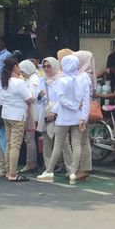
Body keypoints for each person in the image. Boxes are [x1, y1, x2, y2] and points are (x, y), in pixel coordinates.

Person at [37, 55, 87, 185]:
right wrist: (83, 116)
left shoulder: (62, 80)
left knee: (58, 145)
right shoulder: (83, 79)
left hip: (64, 117)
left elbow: (61, 100)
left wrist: (61, 109)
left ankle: (49, 171)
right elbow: (86, 100)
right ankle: (73, 172)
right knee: (75, 144)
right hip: (78, 117)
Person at [0, 57, 33, 182]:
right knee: (15, 146)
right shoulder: (19, 82)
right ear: (15, 67)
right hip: (18, 116)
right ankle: (13, 173)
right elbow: (29, 97)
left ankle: (8, 170)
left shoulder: (3, 80)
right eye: (18, 66)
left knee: (9, 144)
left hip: (6, 114)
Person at [36, 57, 63, 172]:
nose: (46, 69)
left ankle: (65, 165)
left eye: (49, 66)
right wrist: (40, 96)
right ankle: (49, 167)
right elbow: (38, 100)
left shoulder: (61, 80)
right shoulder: (42, 80)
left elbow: (61, 98)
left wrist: (55, 110)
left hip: (59, 114)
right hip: (45, 113)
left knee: (62, 141)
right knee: (46, 141)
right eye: (44, 66)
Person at [74, 50, 96, 181]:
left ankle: (84, 168)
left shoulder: (84, 77)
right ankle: (83, 168)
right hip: (82, 111)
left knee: (83, 141)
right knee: (83, 140)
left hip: (82, 111)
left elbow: (84, 97)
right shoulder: (88, 75)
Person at [19, 60, 40, 173]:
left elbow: (31, 96)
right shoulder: (31, 78)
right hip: (31, 111)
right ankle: (32, 162)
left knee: (29, 139)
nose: (21, 73)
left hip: (32, 113)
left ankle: (31, 163)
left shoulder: (33, 80)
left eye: (22, 71)